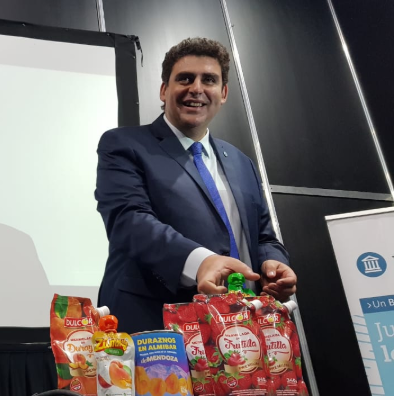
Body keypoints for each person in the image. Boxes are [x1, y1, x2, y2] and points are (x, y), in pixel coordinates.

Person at [95, 38, 296, 332]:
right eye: (185, 78)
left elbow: (263, 237)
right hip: (157, 327)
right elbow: (128, 220)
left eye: (209, 80)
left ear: (223, 93)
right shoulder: (124, 144)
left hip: (240, 330)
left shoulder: (242, 162)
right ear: (164, 90)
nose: (197, 88)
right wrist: (200, 262)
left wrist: (273, 265)